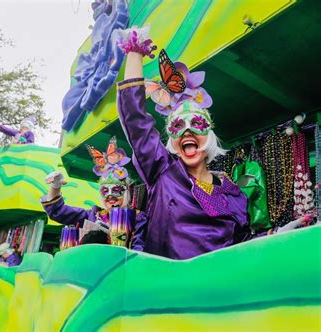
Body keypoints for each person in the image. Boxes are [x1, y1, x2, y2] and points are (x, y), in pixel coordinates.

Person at [115, 27, 312, 260]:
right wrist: (135, 52)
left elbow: (240, 244)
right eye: (178, 127)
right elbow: (136, 122)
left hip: (217, 292)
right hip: (168, 291)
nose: (187, 131)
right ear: (172, 140)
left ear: (208, 134)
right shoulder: (163, 171)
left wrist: (277, 234)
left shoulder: (232, 192)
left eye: (196, 123)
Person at [41, 136, 147, 251]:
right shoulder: (93, 215)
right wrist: (55, 186)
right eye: (105, 191)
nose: (110, 195)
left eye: (116, 190)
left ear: (126, 191)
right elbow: (58, 212)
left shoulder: (137, 217)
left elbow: (139, 249)